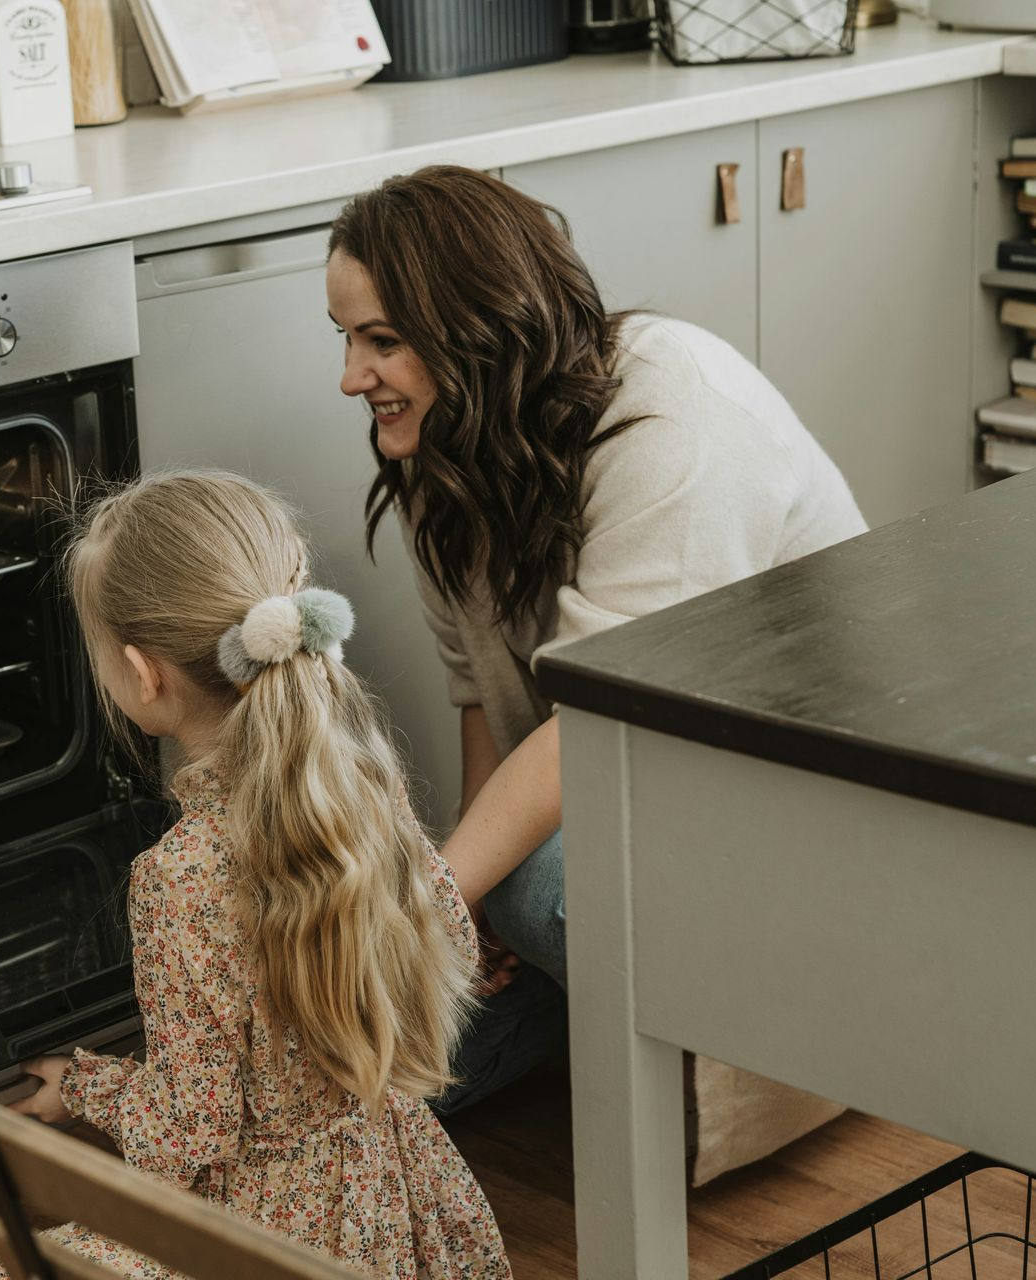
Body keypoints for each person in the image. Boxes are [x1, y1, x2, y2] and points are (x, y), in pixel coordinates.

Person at [326, 164, 867, 1109]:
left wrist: (440, 899)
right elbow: (481, 697)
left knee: (532, 895)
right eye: (345, 340)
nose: (350, 378)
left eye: (382, 341)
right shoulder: (437, 458)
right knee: (394, 1027)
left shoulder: (672, 410)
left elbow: (597, 720)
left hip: (802, 795)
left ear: (476, 327)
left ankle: (759, 1042)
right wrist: (466, 907)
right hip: (634, 778)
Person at [0, 471, 510, 1280]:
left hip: (263, 1239)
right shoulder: (364, 785)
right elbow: (453, 941)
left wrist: (88, 1089)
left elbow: (198, 1128)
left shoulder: (178, 877)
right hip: (396, 1200)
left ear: (144, 675)